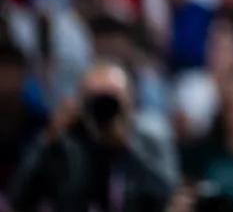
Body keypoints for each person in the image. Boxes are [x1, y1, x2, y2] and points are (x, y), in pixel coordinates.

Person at [8, 59, 179, 212]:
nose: (104, 108)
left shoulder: (150, 136)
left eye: (112, 99)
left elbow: (168, 194)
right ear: (81, 102)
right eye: (95, 99)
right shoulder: (67, 141)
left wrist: (126, 147)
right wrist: (48, 137)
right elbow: (18, 197)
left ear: (130, 100)